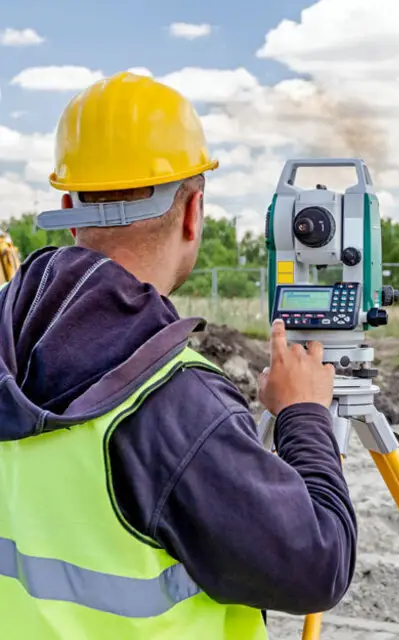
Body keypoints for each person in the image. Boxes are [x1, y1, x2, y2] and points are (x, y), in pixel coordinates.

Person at [0, 72, 357, 639]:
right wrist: (304, 416)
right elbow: (318, 565)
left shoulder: (7, 345)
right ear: (193, 212)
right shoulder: (174, 403)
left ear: (68, 204)